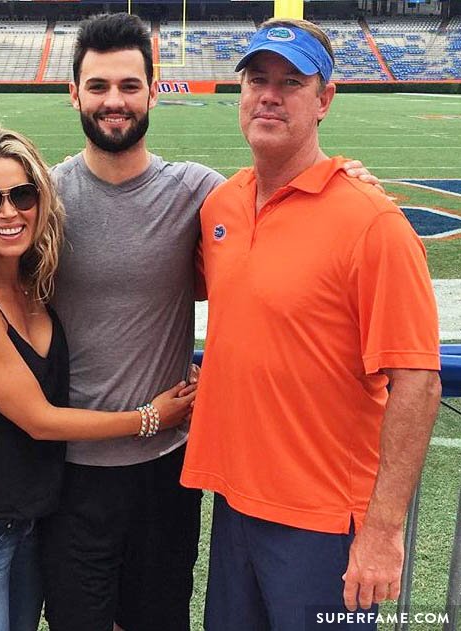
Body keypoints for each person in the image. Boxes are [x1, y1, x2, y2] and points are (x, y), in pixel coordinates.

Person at [0, 14, 380, 631]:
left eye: (129, 85)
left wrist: (351, 180)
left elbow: (283, 202)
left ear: (153, 91)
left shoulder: (201, 194)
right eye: (98, 86)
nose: (114, 101)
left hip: (166, 469)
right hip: (70, 474)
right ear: (74, 92)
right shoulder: (44, 198)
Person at [180, 18, 442, 631]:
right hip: (236, 503)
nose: (269, 95)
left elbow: (418, 381)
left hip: (325, 520)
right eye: (257, 80)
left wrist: (382, 532)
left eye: (291, 82)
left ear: (324, 100)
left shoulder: (371, 222)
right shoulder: (222, 206)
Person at [0, 122, 196, 631]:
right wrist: (150, 418)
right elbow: (39, 419)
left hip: (32, 518)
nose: (8, 212)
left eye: (22, 194)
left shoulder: (35, 282)